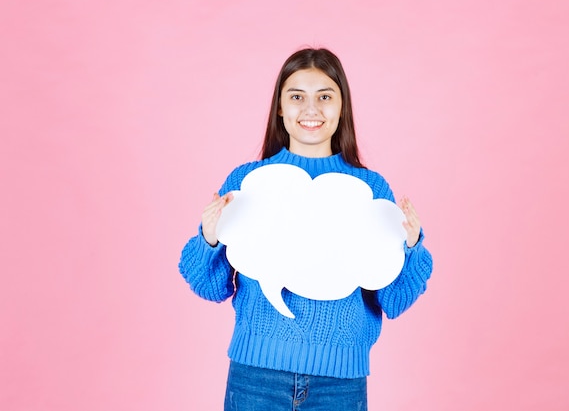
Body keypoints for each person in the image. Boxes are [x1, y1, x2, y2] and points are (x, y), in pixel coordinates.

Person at [178, 48, 433, 410]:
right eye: (297, 97)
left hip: (340, 384)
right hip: (256, 377)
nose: (311, 109)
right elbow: (208, 286)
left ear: (341, 106)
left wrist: (410, 247)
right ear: (280, 107)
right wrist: (209, 238)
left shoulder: (372, 190)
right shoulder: (246, 182)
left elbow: (393, 299)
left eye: (325, 97)